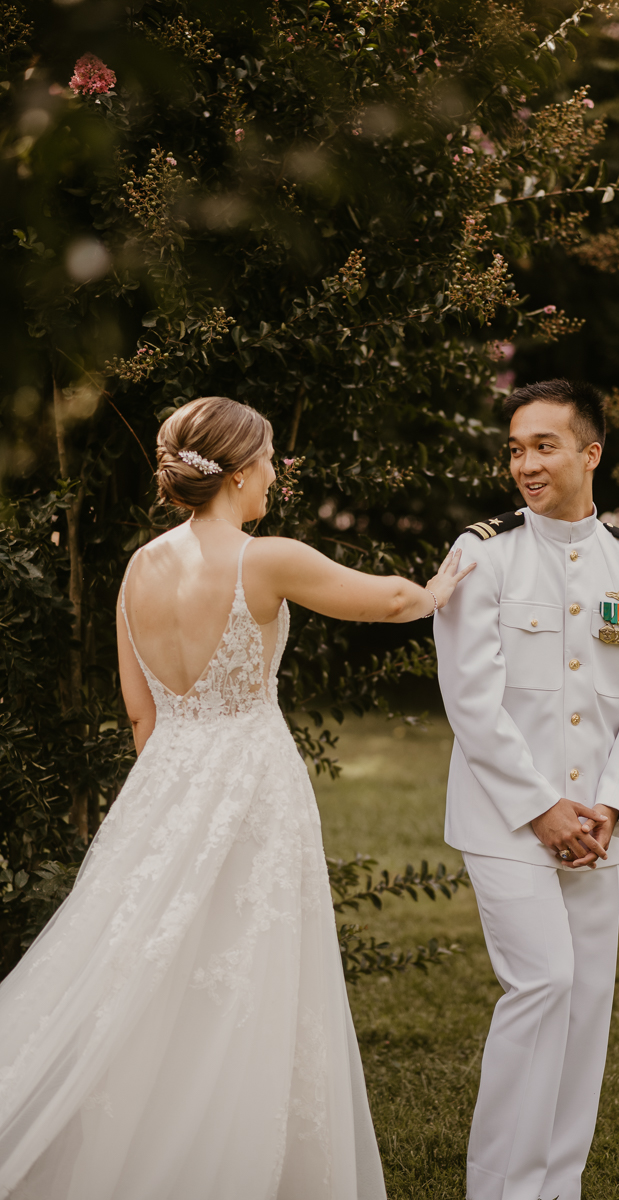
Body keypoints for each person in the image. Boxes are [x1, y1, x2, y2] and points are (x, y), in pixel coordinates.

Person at [0, 395, 473, 1200]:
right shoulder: (266, 558)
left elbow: (141, 714)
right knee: (251, 969)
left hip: (163, 783)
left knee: (151, 969)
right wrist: (444, 584)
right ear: (242, 470)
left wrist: (173, 797)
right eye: (269, 465)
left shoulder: (139, 568)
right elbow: (388, 600)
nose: (275, 478)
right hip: (253, 782)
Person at [434, 379, 619, 1200]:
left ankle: (557, 1186)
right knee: (544, 983)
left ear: (590, 453)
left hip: (600, 828)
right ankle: (498, 1188)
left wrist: (610, 807)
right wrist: (544, 811)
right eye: (515, 448)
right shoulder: (483, 553)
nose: (525, 464)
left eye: (544, 446)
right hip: (508, 821)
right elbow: (470, 700)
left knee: (586, 1005)